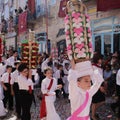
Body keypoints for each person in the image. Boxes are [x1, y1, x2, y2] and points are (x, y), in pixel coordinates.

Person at [91, 53, 105, 120]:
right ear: (97, 59)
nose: (102, 60)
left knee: (102, 101)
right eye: (100, 59)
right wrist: (99, 87)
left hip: (100, 84)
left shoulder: (99, 66)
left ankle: (93, 111)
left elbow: (100, 76)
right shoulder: (94, 67)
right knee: (95, 102)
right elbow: (94, 78)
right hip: (96, 85)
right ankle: (93, 116)